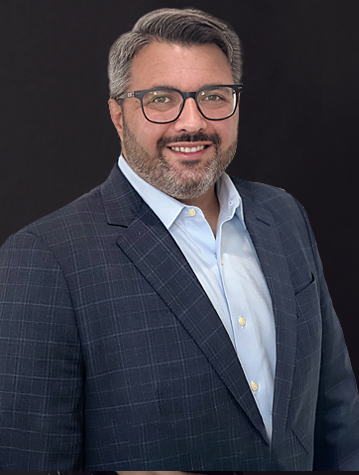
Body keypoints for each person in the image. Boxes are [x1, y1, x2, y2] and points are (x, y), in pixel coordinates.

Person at [0, 7, 358, 471]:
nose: (192, 122)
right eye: (161, 99)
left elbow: (338, 415)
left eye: (213, 95)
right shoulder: (43, 261)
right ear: (118, 115)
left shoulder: (283, 216)